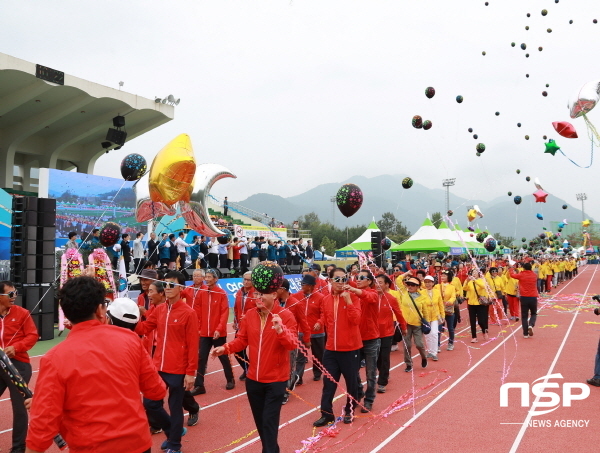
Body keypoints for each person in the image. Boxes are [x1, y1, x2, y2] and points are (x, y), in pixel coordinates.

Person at [26, 276, 167, 453]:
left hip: (90, 446)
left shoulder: (54, 358)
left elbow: (43, 424)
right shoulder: (130, 340)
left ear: (65, 312)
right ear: (101, 309)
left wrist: (42, 404)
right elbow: (157, 390)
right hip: (136, 443)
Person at [211, 283, 297, 453]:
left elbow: (292, 345)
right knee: (261, 423)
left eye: (262, 294)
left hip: (276, 380)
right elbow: (242, 340)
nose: (257, 298)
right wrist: (225, 348)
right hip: (254, 380)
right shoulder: (250, 315)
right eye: (256, 294)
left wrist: (280, 330)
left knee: (268, 422)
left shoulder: (285, 316)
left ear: (274, 295)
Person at [135, 271, 199, 453]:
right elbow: (145, 327)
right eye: (166, 284)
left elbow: (193, 345)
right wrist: (125, 319)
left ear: (181, 288)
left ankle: (174, 444)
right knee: (150, 403)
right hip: (158, 366)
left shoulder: (189, 313)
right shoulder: (159, 309)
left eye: (172, 284)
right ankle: (174, 432)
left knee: (175, 406)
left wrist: (190, 372)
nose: (168, 288)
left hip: (178, 368)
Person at [314, 268, 362, 427]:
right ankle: (326, 414)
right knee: (328, 383)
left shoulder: (354, 297)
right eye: (337, 279)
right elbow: (325, 316)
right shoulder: (326, 299)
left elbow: (356, 320)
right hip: (331, 349)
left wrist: (348, 301)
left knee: (351, 382)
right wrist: (319, 323)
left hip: (350, 349)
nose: (341, 283)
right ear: (330, 280)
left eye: (344, 279)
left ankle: (350, 411)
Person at [0, 282, 37, 453]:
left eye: (15, 293)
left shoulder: (22, 313)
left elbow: (32, 335)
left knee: (19, 407)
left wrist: (16, 347)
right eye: (10, 294)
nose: (14, 296)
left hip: (19, 365)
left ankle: (18, 448)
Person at [191, 269, 235, 395]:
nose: (207, 279)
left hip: (217, 333)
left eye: (210, 277)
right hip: (204, 333)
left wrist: (219, 329)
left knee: (223, 357)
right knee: (201, 358)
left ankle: (230, 379)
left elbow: (224, 313)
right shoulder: (202, 293)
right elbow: (198, 312)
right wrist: (199, 328)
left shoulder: (222, 293)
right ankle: (199, 385)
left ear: (216, 279)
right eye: (206, 277)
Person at [343, 270, 380, 413]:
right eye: (357, 277)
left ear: (370, 281)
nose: (358, 280)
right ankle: (358, 392)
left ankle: (369, 399)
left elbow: (368, 296)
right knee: (353, 370)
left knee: (370, 372)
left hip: (371, 339)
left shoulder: (373, 294)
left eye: (362, 278)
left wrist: (353, 289)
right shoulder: (352, 294)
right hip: (355, 338)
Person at [374, 274, 406, 394]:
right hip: (372, 332)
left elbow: (398, 313)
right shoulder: (371, 296)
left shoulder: (391, 298)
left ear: (387, 284)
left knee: (384, 356)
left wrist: (403, 326)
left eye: (380, 282)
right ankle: (383, 372)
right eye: (376, 282)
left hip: (387, 332)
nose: (377, 284)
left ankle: (382, 382)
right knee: (376, 357)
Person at [293, 274, 326, 383]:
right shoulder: (296, 296)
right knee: (300, 356)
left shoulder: (320, 297)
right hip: (302, 331)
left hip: (317, 332)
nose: (302, 286)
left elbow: (324, 313)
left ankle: (317, 373)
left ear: (311, 286)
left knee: (318, 355)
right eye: (301, 283)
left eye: (304, 284)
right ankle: (298, 377)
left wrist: (320, 322)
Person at [398, 276, 428, 372]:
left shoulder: (422, 297)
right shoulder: (403, 293)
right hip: (406, 324)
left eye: (413, 285)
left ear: (418, 286)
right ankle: (408, 364)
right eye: (409, 284)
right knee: (407, 345)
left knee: (419, 344)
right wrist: (407, 273)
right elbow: (398, 280)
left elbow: (425, 312)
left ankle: (424, 357)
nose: (410, 286)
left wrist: (426, 323)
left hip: (417, 324)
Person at [233, 272, 258, 380]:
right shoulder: (239, 292)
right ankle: (247, 368)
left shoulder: (256, 293)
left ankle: (254, 371)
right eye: (245, 279)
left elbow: (260, 310)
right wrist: (235, 321)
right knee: (237, 350)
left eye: (249, 280)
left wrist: (249, 318)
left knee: (255, 351)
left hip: (253, 327)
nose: (246, 281)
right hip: (241, 327)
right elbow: (236, 308)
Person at [509, 262, 538, 339]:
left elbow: (512, 275)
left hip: (524, 297)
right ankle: (531, 325)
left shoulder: (521, 275)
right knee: (533, 313)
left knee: (524, 316)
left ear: (524, 268)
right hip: (533, 297)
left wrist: (511, 268)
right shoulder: (534, 275)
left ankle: (525, 333)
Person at [421, 276, 444, 361]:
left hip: (435, 316)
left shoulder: (437, 292)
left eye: (429, 282)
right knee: (427, 335)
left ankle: (434, 353)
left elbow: (440, 304)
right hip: (426, 316)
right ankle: (430, 351)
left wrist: (442, 315)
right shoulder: (421, 292)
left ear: (433, 283)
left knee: (434, 333)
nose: (427, 284)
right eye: (426, 282)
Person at [463, 268, 489, 343]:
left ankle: (484, 330)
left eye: (475, 272)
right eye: (473, 272)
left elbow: (483, 286)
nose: (474, 273)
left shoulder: (482, 280)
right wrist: (467, 281)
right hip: (471, 303)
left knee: (481, 320)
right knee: (472, 320)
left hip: (480, 303)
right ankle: (474, 337)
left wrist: (475, 280)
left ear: (479, 273)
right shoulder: (470, 281)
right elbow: (465, 288)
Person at [436, 270, 457, 351]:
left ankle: (451, 343)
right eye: (442, 276)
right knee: (439, 328)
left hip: (449, 310)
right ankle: (437, 345)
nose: (442, 277)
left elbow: (453, 296)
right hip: (440, 310)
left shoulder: (452, 287)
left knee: (450, 328)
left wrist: (450, 301)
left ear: (448, 277)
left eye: (444, 276)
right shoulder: (437, 286)